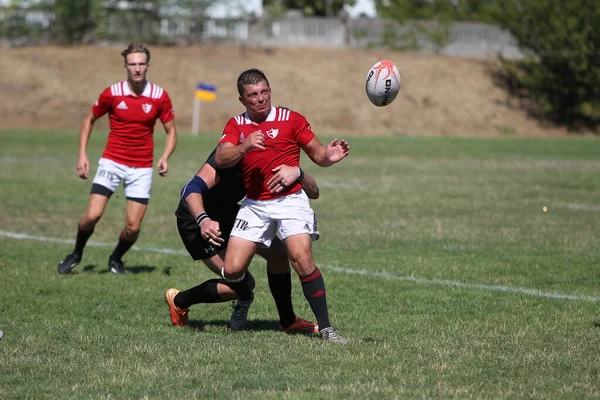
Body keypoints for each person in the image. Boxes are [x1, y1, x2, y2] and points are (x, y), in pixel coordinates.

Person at [214, 68, 350, 343]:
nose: (261, 98)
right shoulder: (236, 125)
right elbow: (220, 158)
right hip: (254, 204)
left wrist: (329, 156)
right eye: (253, 95)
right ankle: (246, 301)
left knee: (301, 259)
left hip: (291, 200)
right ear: (242, 100)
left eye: (265, 92)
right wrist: (245, 146)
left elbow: (318, 153)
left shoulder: (292, 119)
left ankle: (326, 329)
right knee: (233, 269)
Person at [165, 148, 320, 332]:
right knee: (241, 285)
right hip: (197, 219)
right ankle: (179, 301)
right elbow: (190, 189)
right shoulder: (228, 153)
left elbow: (311, 190)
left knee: (278, 253)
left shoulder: (270, 154)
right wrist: (203, 219)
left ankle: (288, 321)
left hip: (229, 213)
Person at [57, 43, 177, 275]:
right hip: (111, 162)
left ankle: (116, 258)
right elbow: (88, 120)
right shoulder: (112, 93)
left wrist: (165, 156)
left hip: (141, 168)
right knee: (92, 215)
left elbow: (171, 130)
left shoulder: (159, 96)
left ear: (148, 66)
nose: (137, 68)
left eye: (141, 63)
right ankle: (76, 253)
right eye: (132, 64)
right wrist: (82, 154)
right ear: (125, 66)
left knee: (132, 228)